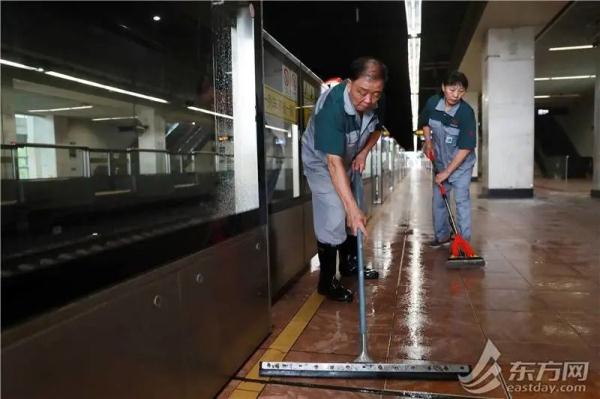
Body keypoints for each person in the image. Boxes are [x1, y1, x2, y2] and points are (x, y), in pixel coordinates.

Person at [301, 57, 386, 302]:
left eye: (375, 94)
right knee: (337, 211)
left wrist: (363, 152)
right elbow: (332, 163)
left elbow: (377, 129)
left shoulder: (376, 98)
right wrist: (351, 209)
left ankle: (349, 265)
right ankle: (326, 281)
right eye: (362, 92)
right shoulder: (331, 106)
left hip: (347, 158)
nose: (368, 100)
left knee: (356, 209)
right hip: (322, 162)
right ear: (350, 83)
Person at [418, 71, 477, 247]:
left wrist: (447, 172)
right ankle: (442, 236)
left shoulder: (466, 113)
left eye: (461, 91)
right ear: (444, 88)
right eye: (452, 90)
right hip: (440, 161)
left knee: (461, 201)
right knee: (438, 201)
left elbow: (466, 147)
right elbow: (426, 122)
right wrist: (428, 142)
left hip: (461, 166)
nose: (456, 95)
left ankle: (463, 242)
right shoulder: (433, 102)